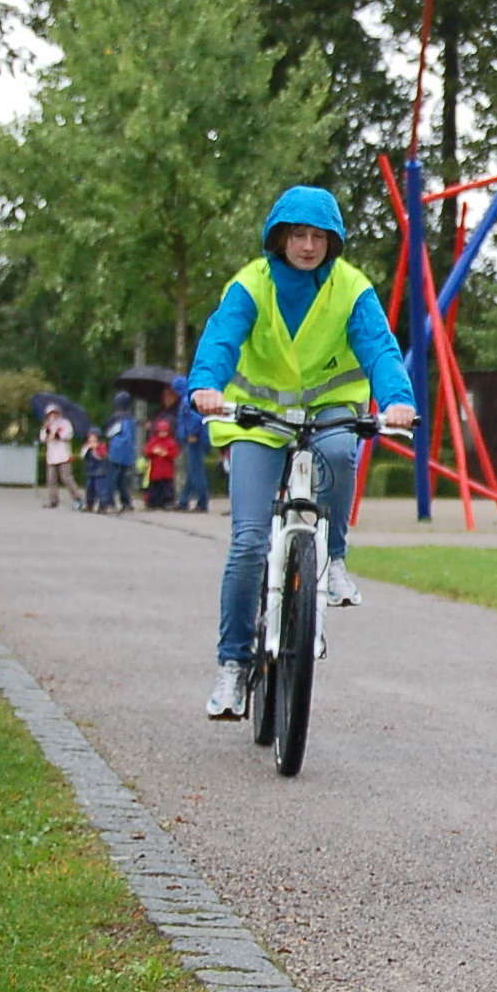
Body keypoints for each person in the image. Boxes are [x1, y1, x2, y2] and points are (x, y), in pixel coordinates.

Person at [189, 186, 418, 720]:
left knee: (341, 455)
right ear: (280, 238)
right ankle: (232, 667)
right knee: (247, 542)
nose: (308, 246)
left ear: (331, 242)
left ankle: (333, 558)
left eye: (318, 237)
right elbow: (222, 337)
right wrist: (206, 384)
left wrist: (399, 400)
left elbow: (380, 348)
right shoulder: (252, 284)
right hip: (257, 420)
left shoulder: (351, 288)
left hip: (330, 412)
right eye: (299, 235)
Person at [171, 372, 210, 513]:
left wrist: (192, 433)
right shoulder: (188, 398)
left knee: (197, 472)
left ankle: (202, 502)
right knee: (192, 471)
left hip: (194, 440)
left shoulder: (186, 401)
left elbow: (194, 418)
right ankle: (183, 500)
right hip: (195, 439)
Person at [38, 404, 84, 509]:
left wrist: (55, 434)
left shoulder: (65, 423)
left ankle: (77, 498)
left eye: (54, 413)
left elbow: (67, 435)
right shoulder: (47, 425)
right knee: (51, 479)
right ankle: (53, 500)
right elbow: (43, 438)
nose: (52, 416)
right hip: (51, 456)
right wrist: (46, 429)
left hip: (63, 455)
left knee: (66, 478)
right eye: (50, 414)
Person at [103, 390, 138, 512]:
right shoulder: (132, 419)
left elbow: (108, 433)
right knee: (122, 479)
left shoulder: (116, 419)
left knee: (112, 478)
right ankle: (126, 502)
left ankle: (108, 502)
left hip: (116, 452)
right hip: (128, 453)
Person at [143, 418, 180, 509]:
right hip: (155, 471)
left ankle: (168, 502)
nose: (162, 434)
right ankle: (153, 503)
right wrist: (153, 451)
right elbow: (147, 450)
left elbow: (174, 453)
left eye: (165, 432)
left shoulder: (171, 442)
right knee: (154, 489)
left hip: (166, 472)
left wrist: (165, 454)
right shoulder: (153, 441)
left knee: (167, 488)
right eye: (160, 432)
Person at [81, 430, 112, 512]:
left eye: (93, 438)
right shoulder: (86, 447)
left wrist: (95, 449)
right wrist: (87, 448)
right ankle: (89, 504)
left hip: (100, 471)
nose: (91, 440)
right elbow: (82, 456)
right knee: (89, 489)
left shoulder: (101, 446)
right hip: (90, 471)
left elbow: (101, 457)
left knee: (100, 489)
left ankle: (103, 506)